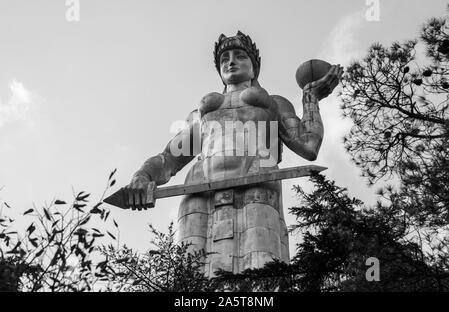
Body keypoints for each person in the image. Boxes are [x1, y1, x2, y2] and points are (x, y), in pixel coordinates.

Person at [124, 31, 343, 277]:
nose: (231, 61)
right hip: (199, 191)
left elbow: (308, 146)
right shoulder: (203, 113)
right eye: (224, 58)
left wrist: (311, 97)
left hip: (256, 183)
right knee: (191, 277)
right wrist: (142, 175)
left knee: (262, 272)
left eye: (240, 56)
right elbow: (168, 159)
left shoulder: (274, 103)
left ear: (253, 68)